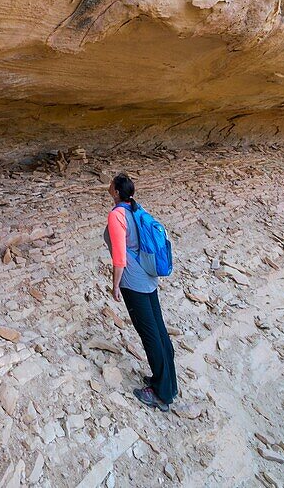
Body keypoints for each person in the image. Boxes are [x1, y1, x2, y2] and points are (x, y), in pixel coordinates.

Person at [104, 171, 177, 411]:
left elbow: (119, 256)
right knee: (158, 327)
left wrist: (116, 284)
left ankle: (161, 394)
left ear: (116, 191)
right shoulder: (135, 208)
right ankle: (166, 383)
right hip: (148, 276)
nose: (109, 186)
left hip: (133, 280)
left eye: (111, 184)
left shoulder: (116, 216)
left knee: (149, 334)